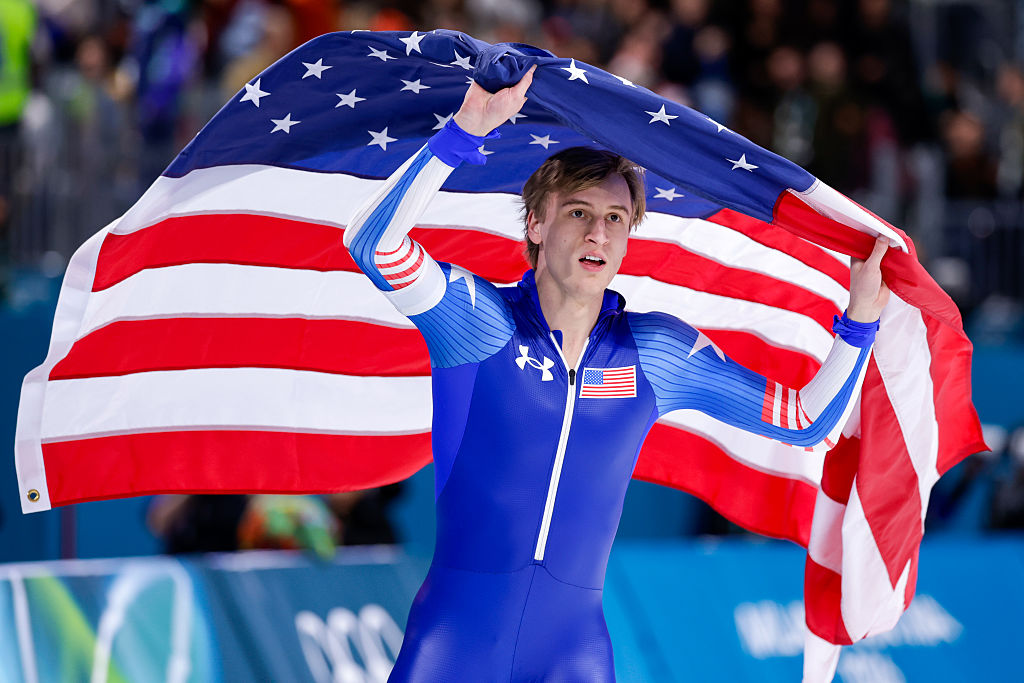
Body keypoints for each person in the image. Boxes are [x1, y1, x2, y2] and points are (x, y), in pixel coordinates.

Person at [342, 65, 890, 682]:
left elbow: (805, 422)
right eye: (577, 212)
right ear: (536, 225)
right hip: (456, 644)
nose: (597, 232)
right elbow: (371, 242)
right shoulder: (478, 323)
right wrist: (463, 132)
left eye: (615, 218)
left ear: (629, 238)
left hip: (572, 653)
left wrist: (861, 321)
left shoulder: (652, 352)